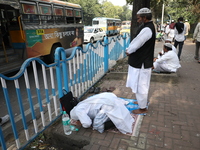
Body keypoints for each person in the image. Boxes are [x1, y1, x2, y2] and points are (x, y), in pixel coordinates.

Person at [125, 7, 156, 114]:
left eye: (139, 18)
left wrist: (129, 50)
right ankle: (141, 102)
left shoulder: (147, 29)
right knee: (140, 84)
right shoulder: (147, 27)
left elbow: (137, 42)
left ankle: (143, 107)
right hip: (142, 61)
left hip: (142, 62)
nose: (137, 19)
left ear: (144, 18)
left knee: (141, 84)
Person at [70, 92, 134, 134]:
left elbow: (87, 124)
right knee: (117, 112)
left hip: (107, 106)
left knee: (97, 126)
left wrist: (82, 123)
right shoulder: (80, 104)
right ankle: (117, 117)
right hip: (109, 98)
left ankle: (115, 122)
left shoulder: (78, 111)